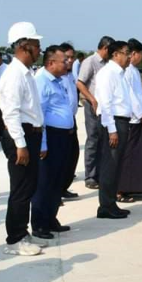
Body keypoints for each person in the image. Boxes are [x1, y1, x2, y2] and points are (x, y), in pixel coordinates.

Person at [0, 22, 45, 256]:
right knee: (20, 189)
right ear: (24, 46)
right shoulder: (14, 75)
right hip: (21, 136)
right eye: (37, 45)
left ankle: (22, 232)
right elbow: (11, 112)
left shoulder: (26, 74)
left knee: (28, 187)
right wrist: (20, 144)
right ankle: (14, 238)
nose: (40, 50)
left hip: (30, 134)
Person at [30, 45, 73, 240]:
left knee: (57, 180)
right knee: (45, 182)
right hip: (51, 136)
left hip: (64, 136)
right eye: (63, 60)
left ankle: (50, 218)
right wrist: (43, 144)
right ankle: (39, 223)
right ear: (50, 63)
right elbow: (40, 115)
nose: (67, 63)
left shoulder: (58, 80)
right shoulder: (41, 81)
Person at [93, 40, 133, 219]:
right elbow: (105, 104)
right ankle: (106, 206)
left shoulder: (120, 74)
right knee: (110, 165)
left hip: (122, 121)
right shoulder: (107, 74)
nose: (129, 57)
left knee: (116, 166)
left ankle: (111, 203)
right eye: (126, 53)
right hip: (114, 123)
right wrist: (112, 130)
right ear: (115, 54)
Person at [76, 36, 115, 189]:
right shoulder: (90, 62)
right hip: (92, 106)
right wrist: (92, 99)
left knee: (104, 140)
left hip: (105, 108)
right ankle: (90, 176)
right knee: (93, 139)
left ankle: (100, 173)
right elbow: (80, 83)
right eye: (110, 51)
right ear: (104, 48)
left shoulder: (108, 64)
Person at [117, 38, 142, 201]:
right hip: (131, 119)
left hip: (136, 119)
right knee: (129, 156)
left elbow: (139, 94)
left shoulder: (134, 71)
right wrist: (140, 112)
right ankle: (121, 189)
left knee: (136, 155)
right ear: (133, 54)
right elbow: (130, 96)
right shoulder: (127, 71)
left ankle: (131, 187)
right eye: (141, 55)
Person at [59, 43, 81, 200]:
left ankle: (62, 187)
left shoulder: (70, 75)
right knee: (59, 159)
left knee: (72, 155)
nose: (70, 60)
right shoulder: (55, 76)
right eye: (67, 57)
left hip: (71, 120)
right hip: (58, 123)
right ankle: (54, 192)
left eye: (72, 57)